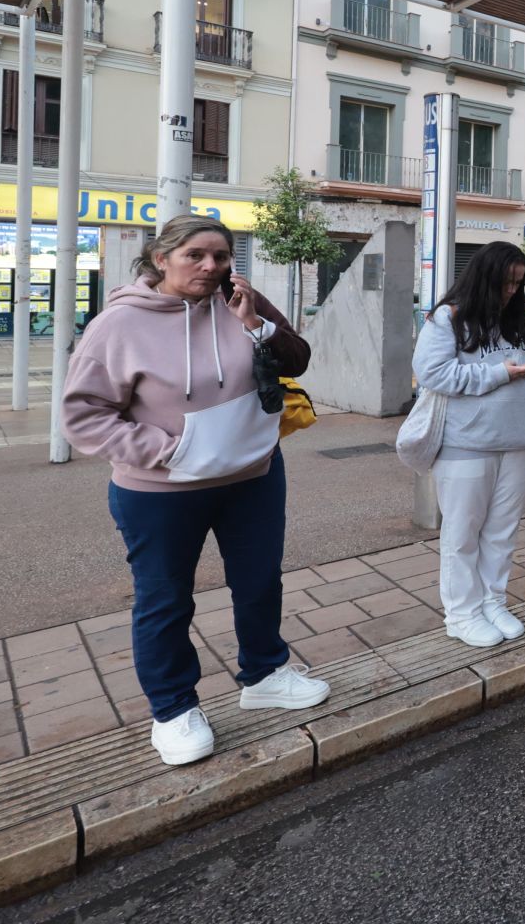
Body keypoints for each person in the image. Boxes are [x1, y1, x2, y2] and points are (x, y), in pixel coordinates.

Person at [62, 214, 327, 767]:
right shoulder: (119, 325)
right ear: (162, 259)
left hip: (252, 476)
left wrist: (257, 324)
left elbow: (298, 359)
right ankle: (174, 709)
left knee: (258, 581)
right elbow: (84, 416)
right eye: (196, 256)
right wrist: (169, 452)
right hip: (161, 490)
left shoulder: (241, 301)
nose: (212, 267)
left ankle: (265, 672)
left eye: (222, 257)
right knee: (165, 600)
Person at [411, 241, 525, 648]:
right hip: (465, 442)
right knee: (462, 534)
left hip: (518, 440)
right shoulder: (449, 317)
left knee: (502, 531)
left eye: (517, 283)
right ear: (484, 278)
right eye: (504, 282)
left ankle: (493, 600)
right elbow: (432, 373)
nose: (511, 290)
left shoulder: (524, 316)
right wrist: (498, 375)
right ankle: (461, 613)